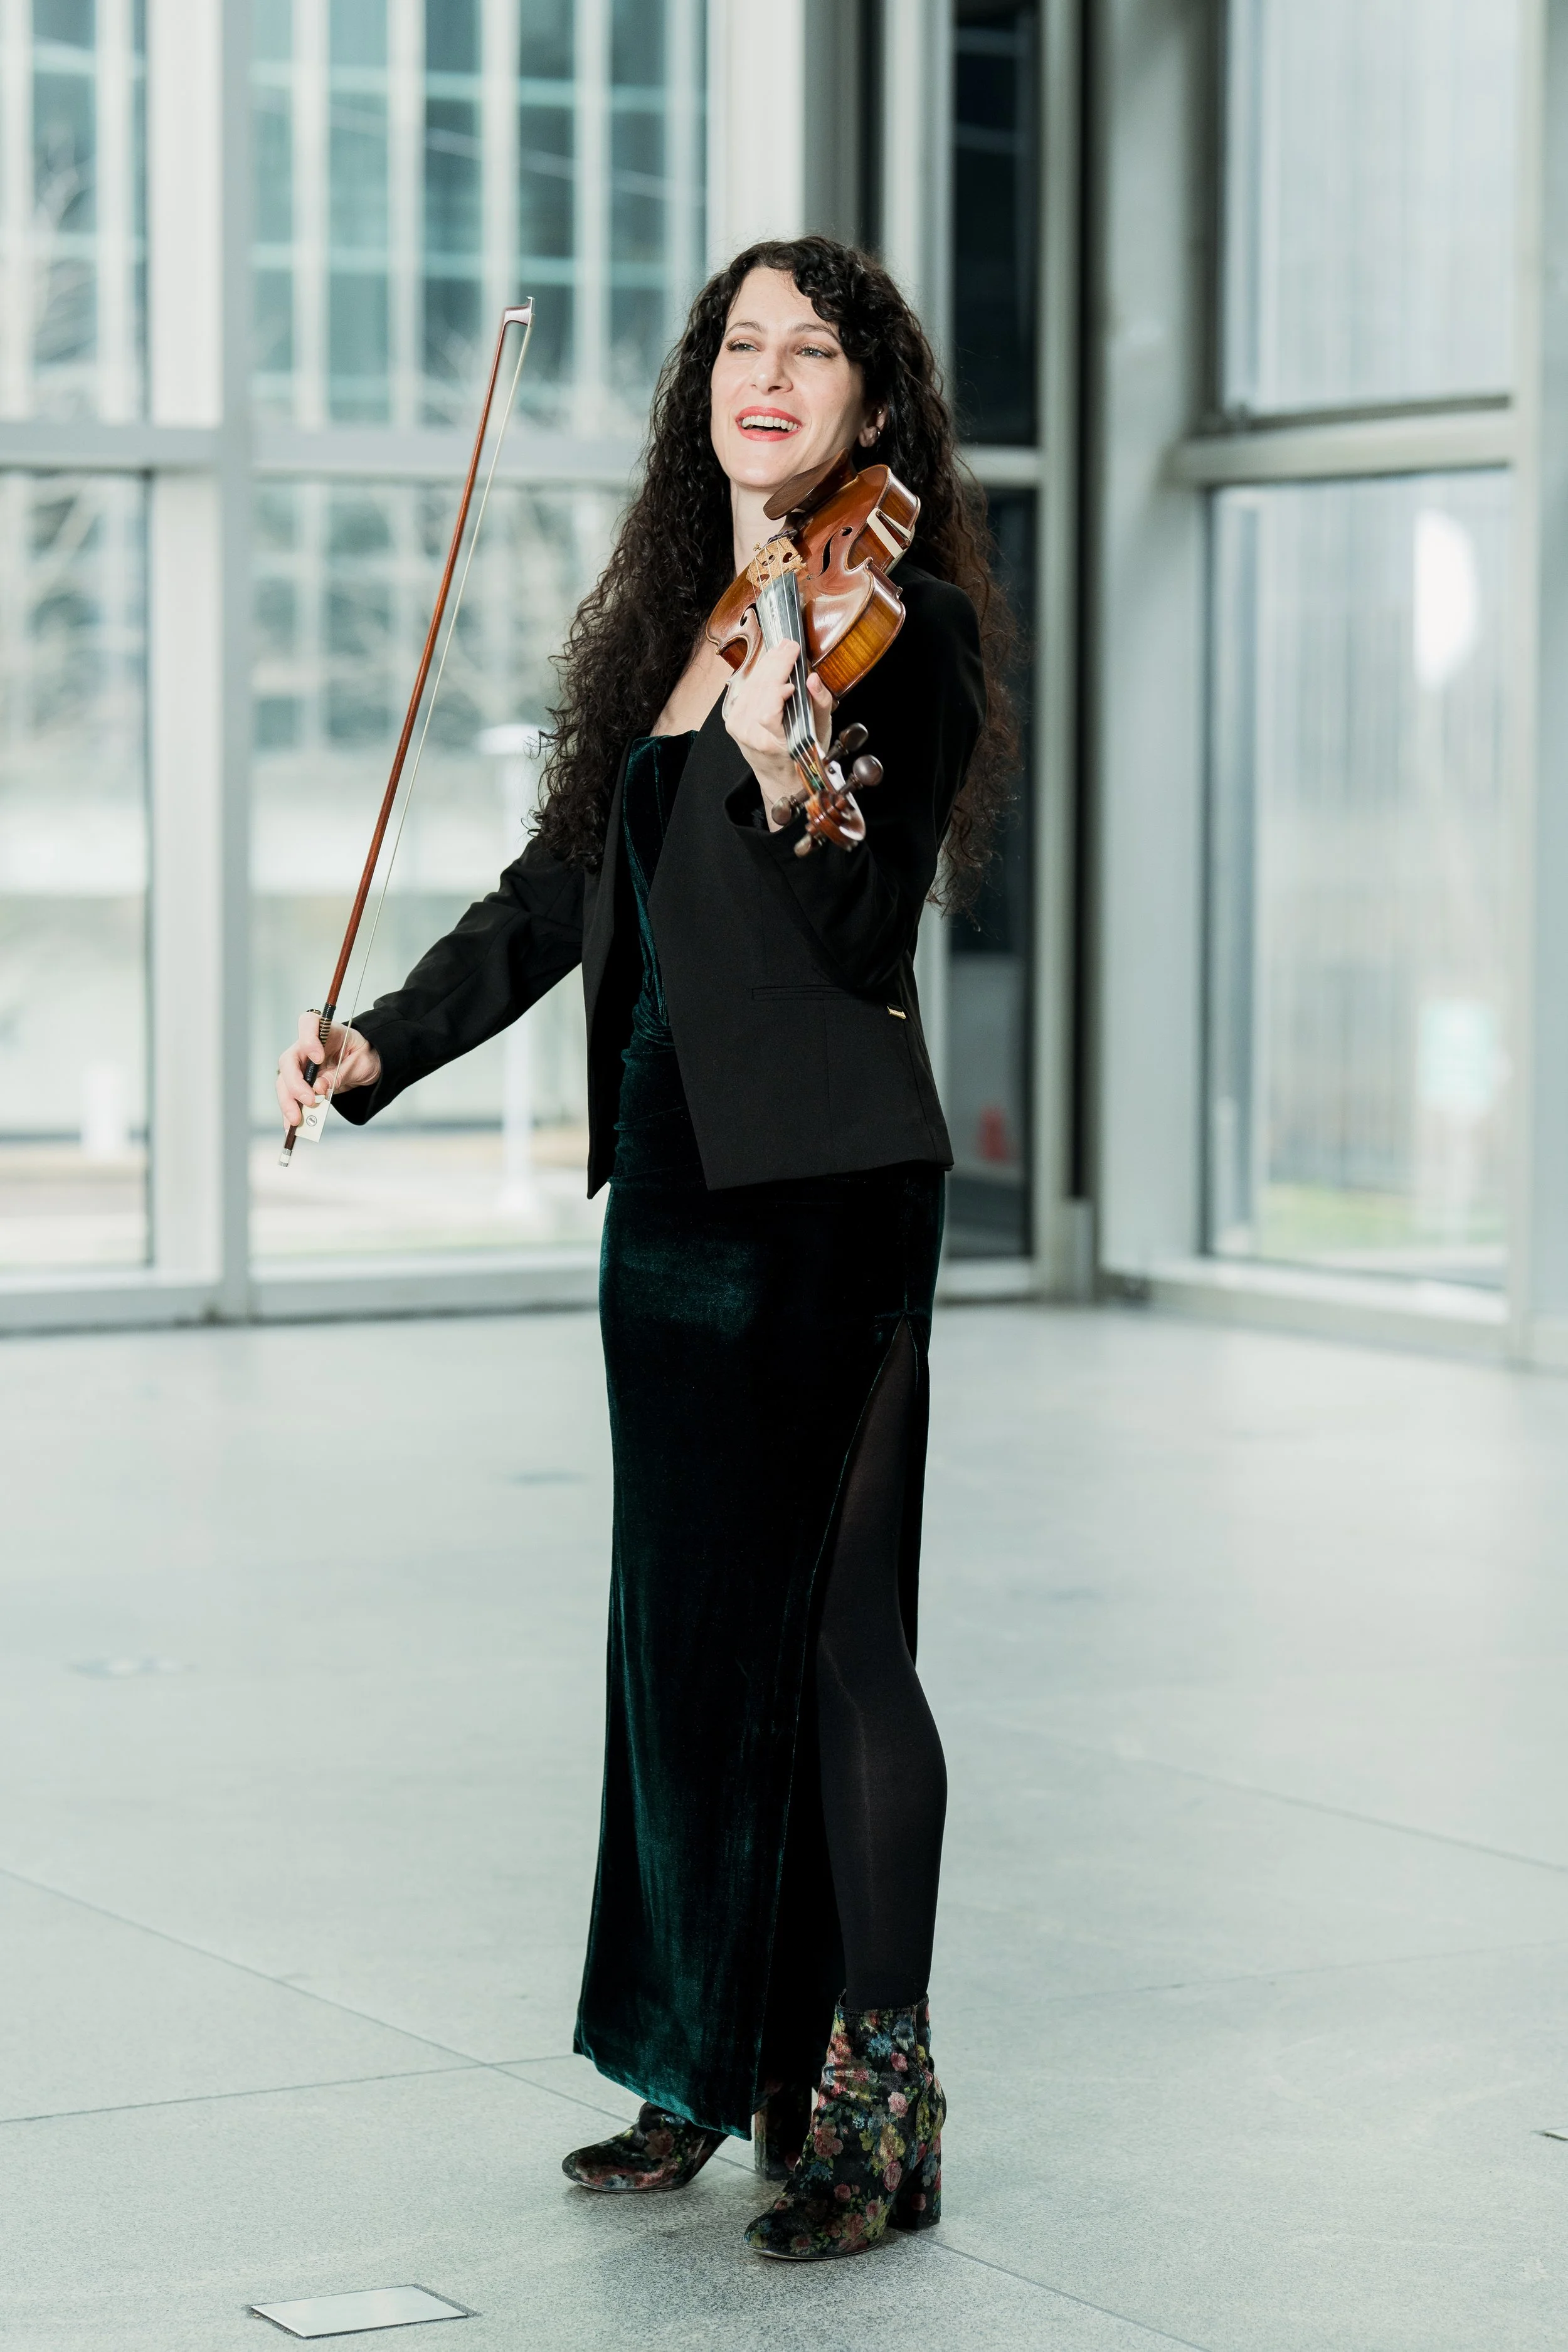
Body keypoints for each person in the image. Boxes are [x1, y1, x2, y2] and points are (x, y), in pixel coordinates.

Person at [275, 235, 1012, 2264]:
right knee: (678, 1639)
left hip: (828, 1192)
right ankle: (706, 2055)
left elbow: (863, 939)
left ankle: (878, 2101)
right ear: (705, 390)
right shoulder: (676, 633)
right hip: (675, 1191)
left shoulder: (905, 626)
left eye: (813, 350)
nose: (767, 376)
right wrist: (378, 1047)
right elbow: (549, 896)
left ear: (873, 404)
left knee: (839, 1635)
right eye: (738, 346)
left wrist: (796, 772)